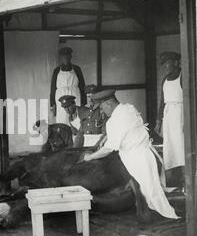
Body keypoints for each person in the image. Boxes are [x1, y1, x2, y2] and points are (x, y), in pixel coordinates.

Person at [83, 89, 178, 220]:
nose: (101, 111)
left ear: (109, 103)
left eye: (102, 107)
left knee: (150, 193)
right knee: (154, 188)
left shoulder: (114, 120)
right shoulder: (128, 107)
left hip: (135, 157)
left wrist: (90, 157)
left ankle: (158, 213)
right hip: (147, 152)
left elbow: (109, 149)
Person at [154, 51, 184, 188]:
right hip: (168, 116)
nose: (166, 66)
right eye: (164, 64)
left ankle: (185, 179)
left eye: (168, 63)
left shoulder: (183, 76)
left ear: (176, 62)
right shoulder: (165, 79)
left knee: (181, 147)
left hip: (180, 114)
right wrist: (158, 122)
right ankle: (174, 182)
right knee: (170, 148)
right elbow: (162, 102)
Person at [50, 47, 86, 125]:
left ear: (70, 57)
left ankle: (77, 134)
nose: (65, 59)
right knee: (62, 118)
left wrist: (83, 101)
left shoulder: (76, 69)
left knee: (76, 117)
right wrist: (52, 104)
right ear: (61, 58)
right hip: (61, 96)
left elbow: (82, 85)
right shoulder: (56, 70)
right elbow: (53, 88)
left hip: (75, 95)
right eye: (63, 57)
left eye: (67, 56)